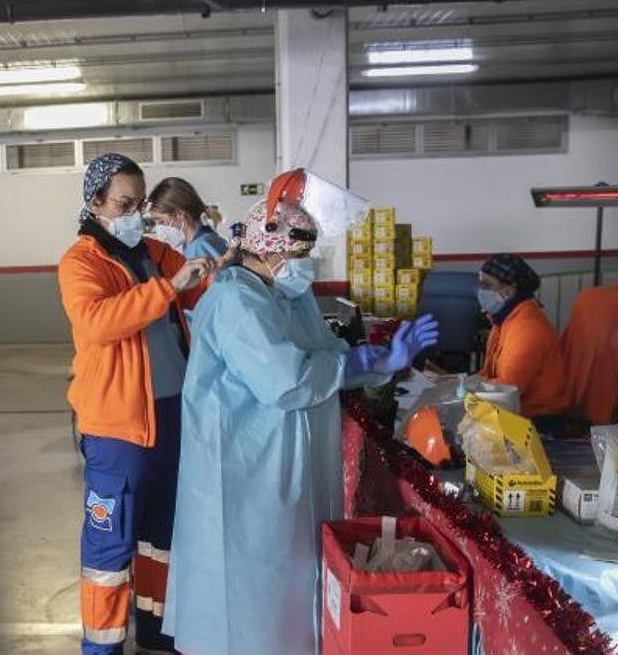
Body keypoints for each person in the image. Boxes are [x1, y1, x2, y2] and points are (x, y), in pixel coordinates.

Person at [162, 173, 439, 655]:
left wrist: (379, 362)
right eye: (297, 255)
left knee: (290, 582)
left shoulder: (286, 296)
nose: (304, 267)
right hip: (246, 473)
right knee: (250, 593)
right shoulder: (235, 301)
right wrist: (353, 363)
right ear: (269, 248)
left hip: (287, 466)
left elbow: (326, 357)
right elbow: (288, 380)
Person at [58, 153, 217, 655]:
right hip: (118, 431)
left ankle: (156, 633)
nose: (135, 213)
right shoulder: (80, 263)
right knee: (110, 550)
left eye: (139, 203)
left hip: (170, 420)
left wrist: (221, 257)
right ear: (95, 203)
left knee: (161, 540)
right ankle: (101, 647)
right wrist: (169, 287)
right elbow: (99, 323)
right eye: (124, 204)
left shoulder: (150, 252)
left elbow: (205, 289)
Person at [476, 253, 571, 420]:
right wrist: (454, 382)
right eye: (480, 283)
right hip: (514, 410)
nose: (481, 291)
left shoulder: (527, 329)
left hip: (536, 418)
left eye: (487, 285)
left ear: (509, 290)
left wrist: (464, 389)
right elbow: (489, 375)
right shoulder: (504, 320)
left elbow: (508, 390)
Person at [147, 177, 229, 260]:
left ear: (180, 214)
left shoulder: (201, 247)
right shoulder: (194, 243)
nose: (159, 230)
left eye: (161, 221)